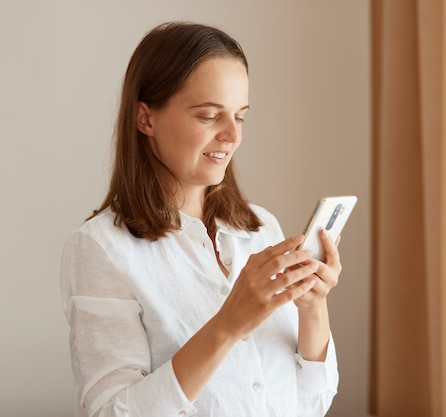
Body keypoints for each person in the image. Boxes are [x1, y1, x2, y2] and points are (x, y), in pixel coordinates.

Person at [60, 21, 340, 417]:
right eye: (209, 116)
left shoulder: (260, 229)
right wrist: (227, 325)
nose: (232, 135)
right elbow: (111, 413)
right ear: (146, 119)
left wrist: (314, 307)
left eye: (239, 117)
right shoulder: (102, 249)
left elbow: (312, 402)